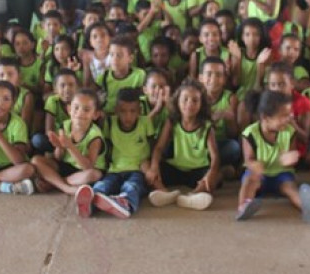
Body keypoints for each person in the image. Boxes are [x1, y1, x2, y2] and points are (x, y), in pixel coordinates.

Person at [236, 90, 310, 222]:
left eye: (289, 114)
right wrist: (255, 165)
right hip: (259, 174)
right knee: (251, 180)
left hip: (281, 173)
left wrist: (291, 158)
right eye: (283, 116)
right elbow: (248, 159)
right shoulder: (250, 133)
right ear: (265, 118)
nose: (289, 119)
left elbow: (291, 159)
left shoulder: (289, 132)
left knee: (289, 187)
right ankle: (243, 207)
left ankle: (306, 206)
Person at [147, 79, 220, 211]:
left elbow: (215, 156)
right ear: (177, 101)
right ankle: (165, 193)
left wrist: (211, 172)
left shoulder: (207, 126)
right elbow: (159, 148)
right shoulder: (172, 122)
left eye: (195, 100)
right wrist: (154, 165)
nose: (189, 104)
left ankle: (193, 195)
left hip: (198, 169)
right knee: (150, 171)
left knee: (214, 179)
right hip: (175, 167)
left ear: (201, 104)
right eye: (185, 99)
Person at [31, 89, 105, 212]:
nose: (80, 113)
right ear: (69, 109)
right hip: (66, 167)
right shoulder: (65, 126)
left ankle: (54, 183)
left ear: (95, 114)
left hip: (82, 172)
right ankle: (66, 188)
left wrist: (70, 146)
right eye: (76, 108)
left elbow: (88, 167)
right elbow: (58, 158)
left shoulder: (94, 135)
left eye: (86, 110)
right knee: (36, 160)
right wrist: (59, 147)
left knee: (94, 175)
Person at [86, 88, 154, 219]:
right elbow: (104, 146)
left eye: (133, 111)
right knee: (102, 185)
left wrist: (150, 167)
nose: (128, 116)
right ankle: (90, 203)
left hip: (137, 170)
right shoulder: (110, 123)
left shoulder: (145, 123)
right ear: (116, 110)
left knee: (132, 186)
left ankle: (125, 204)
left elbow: (153, 147)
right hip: (114, 169)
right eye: (123, 111)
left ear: (139, 111)